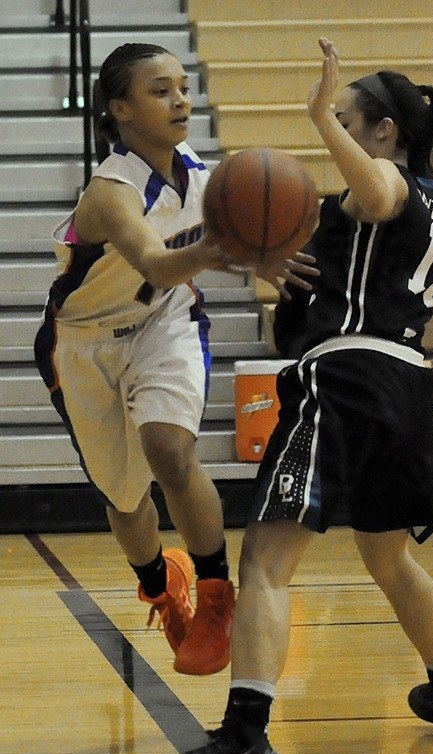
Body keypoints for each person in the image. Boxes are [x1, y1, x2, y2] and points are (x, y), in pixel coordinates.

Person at [147, 36, 433, 754]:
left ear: (384, 132)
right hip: (408, 392)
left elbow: (378, 192)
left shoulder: (384, 180)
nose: (340, 133)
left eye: (351, 120)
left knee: (266, 560)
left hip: (345, 379)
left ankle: (245, 737)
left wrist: (317, 113)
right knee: (387, 555)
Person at [33, 43, 315, 677]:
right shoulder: (111, 190)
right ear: (121, 109)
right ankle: (163, 587)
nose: (181, 100)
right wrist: (224, 248)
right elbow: (157, 263)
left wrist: (260, 251)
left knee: (168, 449)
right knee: (126, 498)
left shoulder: (205, 176)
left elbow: (179, 277)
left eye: (183, 87)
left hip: (164, 321)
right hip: (82, 343)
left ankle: (217, 593)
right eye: (161, 91)